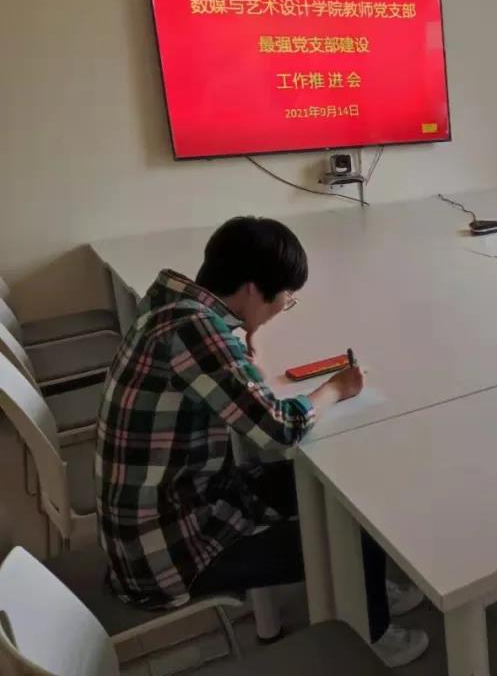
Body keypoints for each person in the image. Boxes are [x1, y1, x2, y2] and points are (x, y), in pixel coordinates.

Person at [95, 217, 428, 668]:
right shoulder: (196, 331)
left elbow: (228, 393)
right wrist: (335, 388)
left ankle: (369, 588)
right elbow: (279, 428)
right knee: (352, 518)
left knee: (327, 490)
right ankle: (373, 632)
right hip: (168, 552)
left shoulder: (171, 304)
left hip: (165, 512)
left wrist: (237, 351)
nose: (285, 305)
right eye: (286, 296)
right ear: (253, 289)